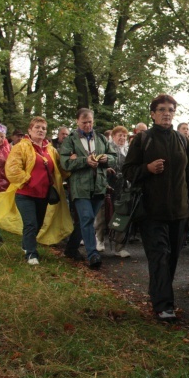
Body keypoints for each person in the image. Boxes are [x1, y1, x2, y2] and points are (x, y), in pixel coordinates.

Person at [122, 94, 189, 321]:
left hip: (179, 210)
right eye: (162, 109)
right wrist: (147, 168)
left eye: (171, 109)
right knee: (160, 256)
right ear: (153, 114)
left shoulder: (183, 140)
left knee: (172, 257)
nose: (167, 113)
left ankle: (158, 294)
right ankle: (164, 305)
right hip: (150, 211)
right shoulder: (143, 139)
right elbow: (128, 171)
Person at [0, 117, 73, 264]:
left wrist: (72, 164)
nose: (40, 130)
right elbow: (12, 169)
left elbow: (61, 168)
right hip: (25, 194)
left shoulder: (51, 150)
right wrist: (28, 180)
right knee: (30, 223)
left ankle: (26, 245)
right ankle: (31, 254)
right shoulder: (21, 147)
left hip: (43, 194)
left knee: (37, 224)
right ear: (30, 130)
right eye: (37, 127)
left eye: (43, 128)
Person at [60, 108, 116, 270]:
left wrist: (107, 159)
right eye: (84, 122)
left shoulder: (100, 139)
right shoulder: (70, 140)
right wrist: (85, 161)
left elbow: (114, 157)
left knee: (86, 219)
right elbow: (64, 163)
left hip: (99, 185)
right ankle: (93, 255)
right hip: (80, 186)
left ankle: (71, 248)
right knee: (86, 217)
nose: (87, 125)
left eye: (90, 122)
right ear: (77, 122)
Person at [95, 125, 131, 258]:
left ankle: (119, 247)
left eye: (124, 135)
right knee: (102, 215)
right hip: (107, 187)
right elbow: (99, 165)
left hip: (123, 188)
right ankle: (99, 239)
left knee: (121, 217)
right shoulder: (106, 149)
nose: (122, 137)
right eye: (119, 135)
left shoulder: (128, 150)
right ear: (113, 136)